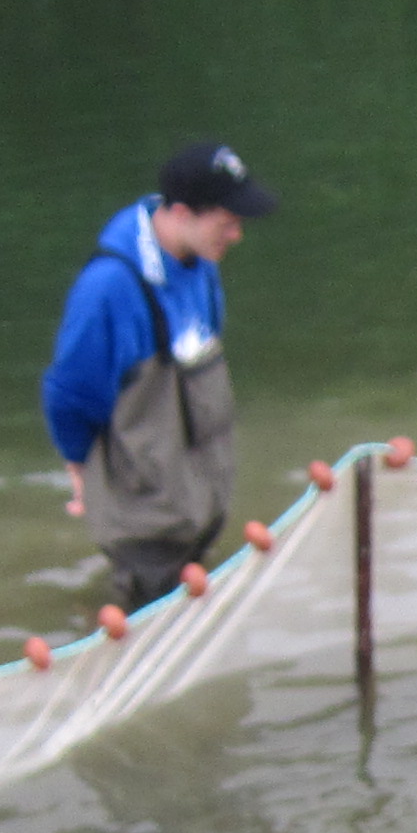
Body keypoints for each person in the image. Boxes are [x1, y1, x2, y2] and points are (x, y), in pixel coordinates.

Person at [41, 142, 277, 610]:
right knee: (146, 620)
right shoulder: (108, 288)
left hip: (197, 503)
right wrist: (80, 469)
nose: (236, 235)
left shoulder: (202, 261)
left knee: (196, 607)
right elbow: (68, 394)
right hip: (148, 520)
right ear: (183, 213)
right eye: (226, 223)